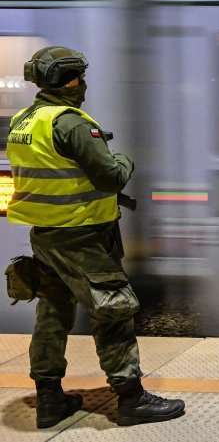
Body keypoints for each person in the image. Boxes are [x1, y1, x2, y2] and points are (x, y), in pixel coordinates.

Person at [6, 46, 185, 428]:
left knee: (53, 312)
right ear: (66, 80)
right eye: (79, 77)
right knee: (114, 309)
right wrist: (125, 159)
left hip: (46, 235)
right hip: (82, 236)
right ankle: (131, 398)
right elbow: (111, 176)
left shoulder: (24, 120)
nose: (83, 85)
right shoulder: (70, 123)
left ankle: (50, 399)